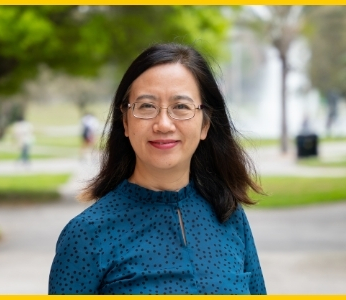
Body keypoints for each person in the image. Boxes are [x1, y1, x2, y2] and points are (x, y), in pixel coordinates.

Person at [48, 43, 267, 295]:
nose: (163, 124)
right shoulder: (86, 236)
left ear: (205, 124)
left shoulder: (229, 215)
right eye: (146, 106)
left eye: (181, 107)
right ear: (126, 122)